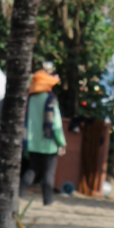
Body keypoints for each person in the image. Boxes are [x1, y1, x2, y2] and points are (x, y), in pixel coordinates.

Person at [19, 69, 67, 206]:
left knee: (32, 170)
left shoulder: (30, 100)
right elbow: (56, 124)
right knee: (48, 174)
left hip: (32, 143)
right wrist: (61, 142)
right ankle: (48, 201)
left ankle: (20, 194)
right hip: (49, 143)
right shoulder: (51, 99)